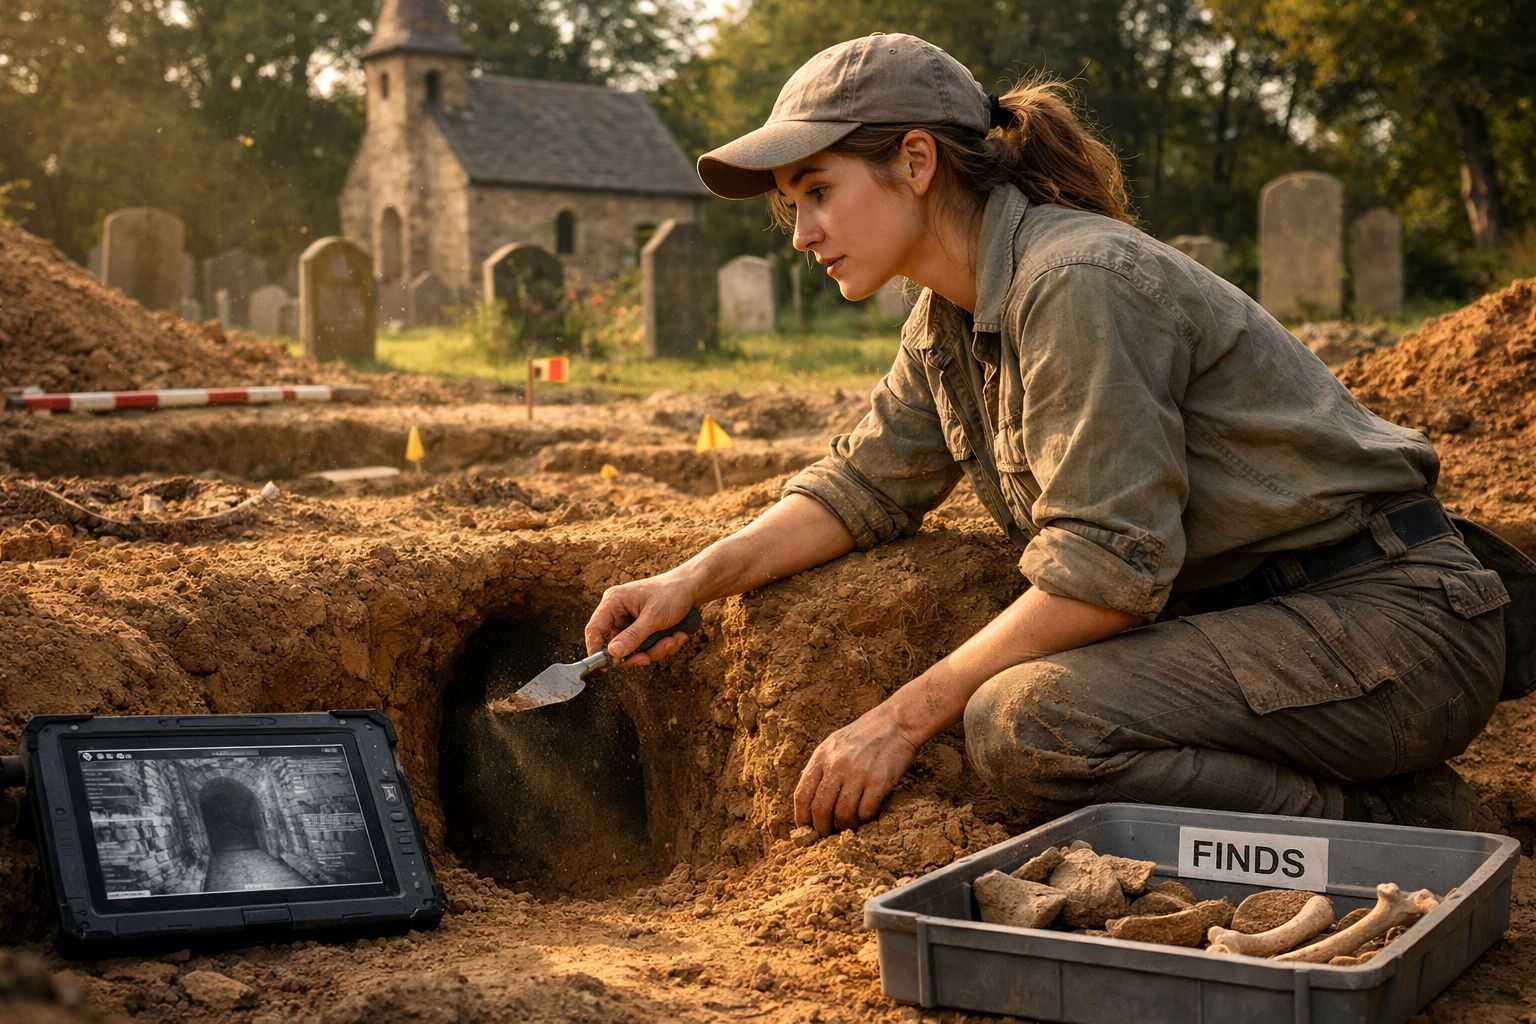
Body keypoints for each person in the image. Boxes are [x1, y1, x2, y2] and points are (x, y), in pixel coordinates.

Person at [584, 32, 1512, 837]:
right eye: (794, 204)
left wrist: (899, 722)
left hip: (1390, 627)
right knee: (1020, 705)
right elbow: (859, 488)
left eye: (818, 190)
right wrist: (688, 579)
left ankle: (1393, 826)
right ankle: (1373, 794)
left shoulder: (1075, 280)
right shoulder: (948, 316)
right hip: (1276, 627)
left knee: (1028, 723)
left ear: (916, 162)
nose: (802, 232)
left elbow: (1107, 568)